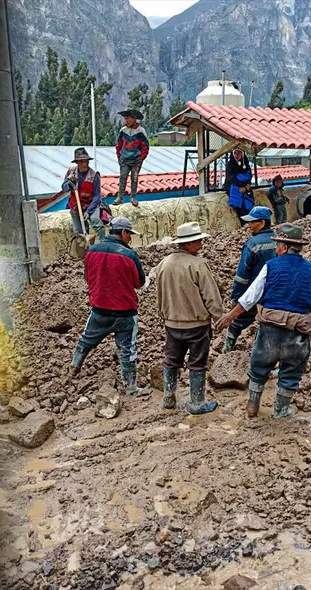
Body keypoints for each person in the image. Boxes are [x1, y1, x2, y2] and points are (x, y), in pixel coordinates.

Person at [215, 223, 311, 419]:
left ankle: (253, 405)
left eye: (278, 244)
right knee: (291, 372)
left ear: (286, 247)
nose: (276, 248)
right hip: (297, 332)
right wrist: (309, 328)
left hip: (270, 330)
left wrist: (231, 315)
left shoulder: (271, 266)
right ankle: (281, 410)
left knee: (259, 367)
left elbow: (250, 297)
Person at [68, 217, 148, 397]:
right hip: (125, 312)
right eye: (130, 235)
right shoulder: (129, 255)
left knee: (86, 339)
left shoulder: (92, 251)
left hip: (99, 309)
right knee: (128, 348)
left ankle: (74, 368)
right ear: (124, 233)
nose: (130, 239)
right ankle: (131, 387)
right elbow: (139, 283)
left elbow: (88, 278)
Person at [156, 222, 223, 414]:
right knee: (197, 363)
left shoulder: (164, 263)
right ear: (189, 244)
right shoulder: (198, 265)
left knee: (171, 360)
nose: (201, 243)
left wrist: (163, 314)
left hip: (172, 323)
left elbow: (159, 293)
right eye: (198, 240)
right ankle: (197, 403)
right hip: (196, 325)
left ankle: (169, 398)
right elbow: (211, 296)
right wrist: (219, 318)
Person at [224, 206, 278, 353]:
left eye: (251, 222)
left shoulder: (252, 244)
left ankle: (228, 349)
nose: (249, 225)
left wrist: (236, 297)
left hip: (255, 293)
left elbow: (242, 276)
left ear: (261, 223)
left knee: (239, 321)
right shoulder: (279, 241)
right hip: (275, 294)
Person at [62, 148, 106, 242]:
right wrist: (69, 183)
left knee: (95, 221)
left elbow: (97, 196)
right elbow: (64, 188)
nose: (84, 164)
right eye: (81, 162)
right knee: (79, 231)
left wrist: (89, 211)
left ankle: (103, 243)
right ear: (77, 163)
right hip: (75, 204)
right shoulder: (71, 172)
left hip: (91, 204)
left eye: (86, 161)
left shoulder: (94, 175)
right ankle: (83, 252)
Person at [114, 109, 149, 207]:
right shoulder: (123, 130)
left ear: (134, 119)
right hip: (124, 159)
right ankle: (120, 197)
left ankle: (133, 197)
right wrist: (119, 156)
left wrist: (141, 158)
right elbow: (119, 145)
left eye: (128, 118)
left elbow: (145, 147)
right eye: (125, 119)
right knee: (123, 177)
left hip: (136, 160)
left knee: (134, 178)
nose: (126, 121)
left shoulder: (141, 131)